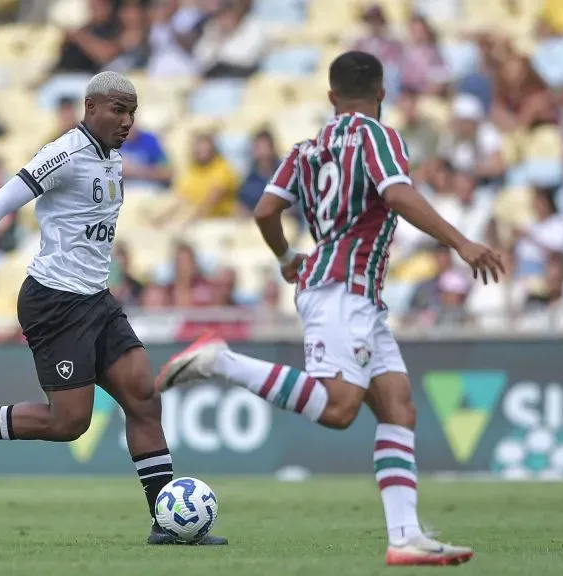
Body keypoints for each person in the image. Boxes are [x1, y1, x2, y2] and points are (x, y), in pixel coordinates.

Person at [155, 51, 505, 566]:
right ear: (382, 94)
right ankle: (222, 362)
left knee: (398, 406)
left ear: (330, 96)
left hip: (347, 288)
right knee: (340, 408)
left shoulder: (307, 147)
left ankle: (405, 535)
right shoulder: (377, 136)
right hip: (344, 287)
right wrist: (461, 241)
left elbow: (266, 209)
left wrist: (285, 256)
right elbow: (399, 194)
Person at [0, 71, 226, 546]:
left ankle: (168, 524)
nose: (127, 121)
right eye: (118, 110)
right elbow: (1, 200)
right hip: (54, 302)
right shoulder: (65, 154)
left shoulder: (113, 158)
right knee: (70, 423)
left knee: (143, 395)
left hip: (96, 299)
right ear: (91, 107)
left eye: (133, 112)